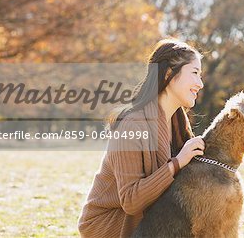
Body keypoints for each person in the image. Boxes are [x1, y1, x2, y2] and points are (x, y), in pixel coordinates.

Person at [78, 39, 205, 237]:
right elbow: (130, 201)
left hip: (151, 219)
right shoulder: (132, 124)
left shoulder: (178, 122)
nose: (200, 83)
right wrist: (177, 163)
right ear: (169, 74)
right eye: (195, 73)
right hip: (109, 225)